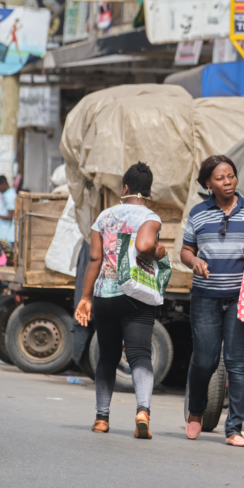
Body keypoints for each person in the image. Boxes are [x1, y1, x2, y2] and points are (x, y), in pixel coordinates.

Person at [180, 155, 244, 447]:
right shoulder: (198, 213)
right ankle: (196, 411)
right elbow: (185, 250)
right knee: (205, 361)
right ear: (208, 183)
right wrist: (194, 261)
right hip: (205, 298)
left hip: (241, 298)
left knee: (237, 363)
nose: (227, 182)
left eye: (231, 176)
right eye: (220, 178)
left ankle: (234, 428)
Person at [74, 162, 165, 439]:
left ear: (125, 188)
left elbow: (94, 259)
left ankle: (102, 418)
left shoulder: (104, 216)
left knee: (107, 357)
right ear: (148, 190)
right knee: (139, 355)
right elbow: (145, 246)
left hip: (105, 294)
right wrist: (158, 252)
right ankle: (143, 411)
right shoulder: (151, 217)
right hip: (137, 297)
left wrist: (85, 298)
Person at [0, 175, 17, 247]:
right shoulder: (7, 194)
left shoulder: (10, 196)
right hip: (3, 235)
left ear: (3, 183)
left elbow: (10, 216)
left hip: (7, 236)